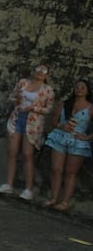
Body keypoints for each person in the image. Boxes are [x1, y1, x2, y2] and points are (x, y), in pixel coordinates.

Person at [0, 64, 56, 200]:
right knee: (12, 151)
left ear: (47, 75)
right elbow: (11, 97)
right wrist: (16, 100)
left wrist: (34, 108)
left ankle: (29, 189)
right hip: (17, 119)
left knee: (27, 154)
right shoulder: (23, 82)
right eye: (38, 69)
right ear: (33, 71)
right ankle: (9, 184)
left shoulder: (48, 90)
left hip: (33, 123)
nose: (40, 72)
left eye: (44, 70)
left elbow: (49, 109)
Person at [43, 78, 91, 211]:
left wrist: (87, 137)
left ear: (87, 91)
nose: (79, 89)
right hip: (60, 137)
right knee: (56, 169)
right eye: (77, 87)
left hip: (78, 141)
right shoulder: (65, 104)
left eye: (83, 87)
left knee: (70, 172)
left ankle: (65, 202)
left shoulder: (90, 107)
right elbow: (54, 121)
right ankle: (53, 198)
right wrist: (61, 126)